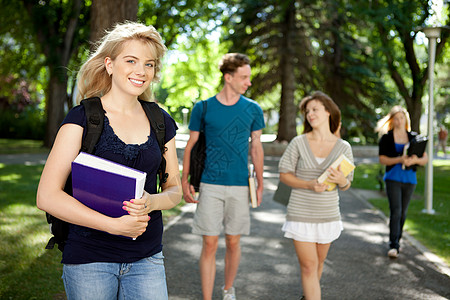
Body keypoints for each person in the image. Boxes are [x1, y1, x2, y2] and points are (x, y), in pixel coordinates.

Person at [36, 22, 182, 300]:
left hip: (147, 257)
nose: (141, 71)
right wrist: (114, 226)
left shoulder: (161, 121)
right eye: (131, 60)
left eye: (149, 64)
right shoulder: (82, 118)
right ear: (109, 64)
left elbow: (174, 188)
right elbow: (46, 196)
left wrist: (152, 201)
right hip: (89, 259)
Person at [181, 53, 265, 300]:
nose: (248, 82)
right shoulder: (203, 108)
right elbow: (191, 146)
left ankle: (228, 290)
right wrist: (185, 180)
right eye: (244, 77)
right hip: (210, 185)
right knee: (209, 243)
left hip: (240, 185)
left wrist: (260, 182)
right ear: (228, 78)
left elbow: (256, 147)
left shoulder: (253, 109)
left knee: (233, 242)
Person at [278, 91, 353, 300]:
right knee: (309, 266)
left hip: (328, 215)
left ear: (328, 112)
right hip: (300, 213)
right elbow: (284, 174)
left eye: (315, 109)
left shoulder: (343, 147)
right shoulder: (298, 142)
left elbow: (347, 184)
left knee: (318, 263)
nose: (310, 114)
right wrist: (308, 184)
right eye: (307, 111)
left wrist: (341, 180)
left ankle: (307, 295)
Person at [377, 106, 428, 258]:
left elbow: (424, 159)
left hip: (409, 180)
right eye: (396, 118)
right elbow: (382, 159)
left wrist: (415, 160)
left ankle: (397, 240)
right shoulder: (386, 138)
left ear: (406, 120)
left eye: (401, 118)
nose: (399, 121)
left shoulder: (414, 137)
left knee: (403, 213)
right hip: (393, 178)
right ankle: (394, 245)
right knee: (396, 210)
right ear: (392, 121)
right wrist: (399, 159)